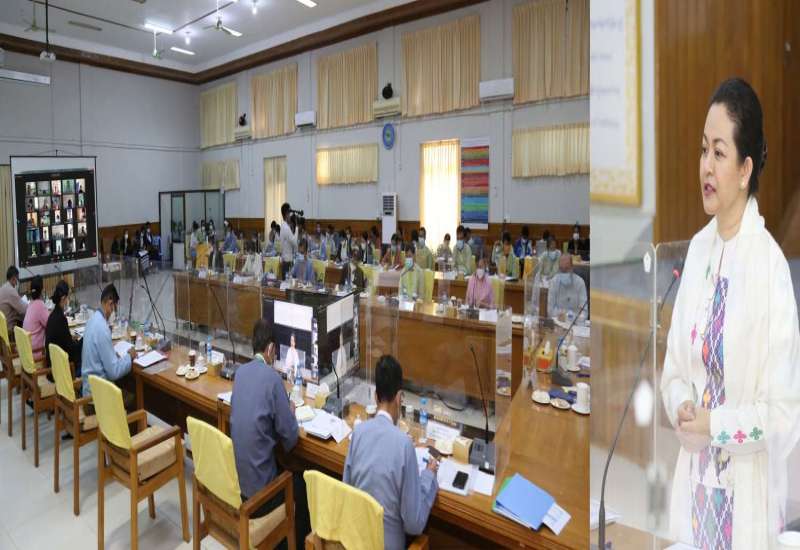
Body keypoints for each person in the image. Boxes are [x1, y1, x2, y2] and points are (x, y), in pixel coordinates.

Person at [660, 78, 800, 550]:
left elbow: (783, 414)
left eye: (719, 153)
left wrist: (714, 425)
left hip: (746, 498)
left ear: (744, 170)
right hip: (693, 486)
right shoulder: (697, 251)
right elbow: (673, 371)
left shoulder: (769, 268)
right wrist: (682, 407)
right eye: (703, 150)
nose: (705, 165)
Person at [344, 355, 439, 550]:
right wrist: (429, 476)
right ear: (399, 397)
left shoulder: (358, 433)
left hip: (355, 542)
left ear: (375, 396)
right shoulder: (404, 445)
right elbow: (414, 524)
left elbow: (346, 491)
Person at [230, 320, 306, 541]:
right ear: (271, 348)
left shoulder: (240, 373)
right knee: (302, 483)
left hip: (240, 487)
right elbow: (290, 439)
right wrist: (290, 411)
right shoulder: (272, 379)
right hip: (261, 497)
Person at [81, 284, 137, 408]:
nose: (114, 313)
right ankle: (126, 420)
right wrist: (129, 357)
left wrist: (112, 354)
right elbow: (114, 372)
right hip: (98, 401)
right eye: (115, 309)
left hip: (89, 392)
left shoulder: (92, 320)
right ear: (110, 304)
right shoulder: (102, 328)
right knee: (135, 398)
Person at [45, 280, 82, 375]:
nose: (68, 300)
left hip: (52, 366)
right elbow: (71, 350)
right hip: (62, 370)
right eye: (68, 297)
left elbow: (64, 341)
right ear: (63, 298)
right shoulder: (61, 319)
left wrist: (72, 339)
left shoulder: (53, 315)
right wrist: (83, 340)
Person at [547, 255, 587, 319]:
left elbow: (584, 312)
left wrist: (567, 316)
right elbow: (550, 310)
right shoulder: (554, 282)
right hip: (558, 322)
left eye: (566, 269)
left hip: (575, 322)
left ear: (572, 268)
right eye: (561, 269)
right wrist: (567, 315)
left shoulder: (580, 282)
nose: (564, 272)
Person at [21, 276, 48, 361]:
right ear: (42, 290)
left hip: (27, 352)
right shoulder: (40, 305)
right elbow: (50, 325)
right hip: (36, 353)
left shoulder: (30, 304)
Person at [0, 266, 27, 335]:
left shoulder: (3, 287)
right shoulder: (11, 291)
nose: (17, 283)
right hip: (9, 330)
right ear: (14, 278)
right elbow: (23, 310)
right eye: (17, 279)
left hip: (2, 329)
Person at [280, 203, 300, 277]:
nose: (290, 215)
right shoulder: (286, 228)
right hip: (288, 261)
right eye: (289, 213)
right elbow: (294, 243)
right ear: (286, 214)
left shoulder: (283, 226)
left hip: (285, 260)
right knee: (289, 282)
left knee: (285, 282)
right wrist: (296, 227)